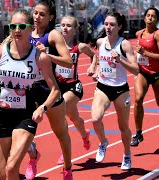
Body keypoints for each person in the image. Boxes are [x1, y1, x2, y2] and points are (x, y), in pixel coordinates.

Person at [0, 9, 60, 180]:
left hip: (25, 114)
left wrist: (43, 108)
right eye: (13, 26)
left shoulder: (40, 57)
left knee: (11, 168)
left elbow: (55, 90)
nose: (17, 30)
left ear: (30, 28)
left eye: (21, 26)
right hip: (1, 114)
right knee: (3, 174)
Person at [26, 1, 74, 179]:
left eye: (42, 14)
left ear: (51, 17)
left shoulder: (52, 35)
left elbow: (68, 62)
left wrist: (46, 54)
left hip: (49, 89)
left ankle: (67, 168)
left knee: (61, 133)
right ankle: (33, 158)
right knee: (22, 132)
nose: (37, 17)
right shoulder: (26, 30)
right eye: (35, 13)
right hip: (28, 88)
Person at [91, 11, 139, 170]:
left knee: (123, 127)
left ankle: (126, 155)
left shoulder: (124, 44)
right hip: (103, 86)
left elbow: (136, 70)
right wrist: (95, 68)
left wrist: (120, 59)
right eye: (106, 24)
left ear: (119, 27)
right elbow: (98, 58)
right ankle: (103, 142)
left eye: (112, 25)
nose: (108, 27)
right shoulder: (100, 42)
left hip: (120, 90)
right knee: (95, 119)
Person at [55, 15, 96, 165]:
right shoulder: (54, 46)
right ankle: (85, 135)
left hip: (73, 86)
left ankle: (64, 150)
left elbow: (93, 56)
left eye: (68, 25)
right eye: (62, 25)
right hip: (58, 87)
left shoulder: (80, 47)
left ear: (75, 30)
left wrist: (93, 66)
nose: (65, 28)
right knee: (74, 118)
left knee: (61, 110)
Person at [131, 7, 159, 147]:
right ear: (144, 18)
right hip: (143, 73)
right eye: (148, 15)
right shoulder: (138, 33)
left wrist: (145, 53)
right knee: (137, 99)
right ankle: (138, 133)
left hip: (158, 74)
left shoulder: (158, 35)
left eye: (153, 16)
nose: (150, 18)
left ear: (157, 19)